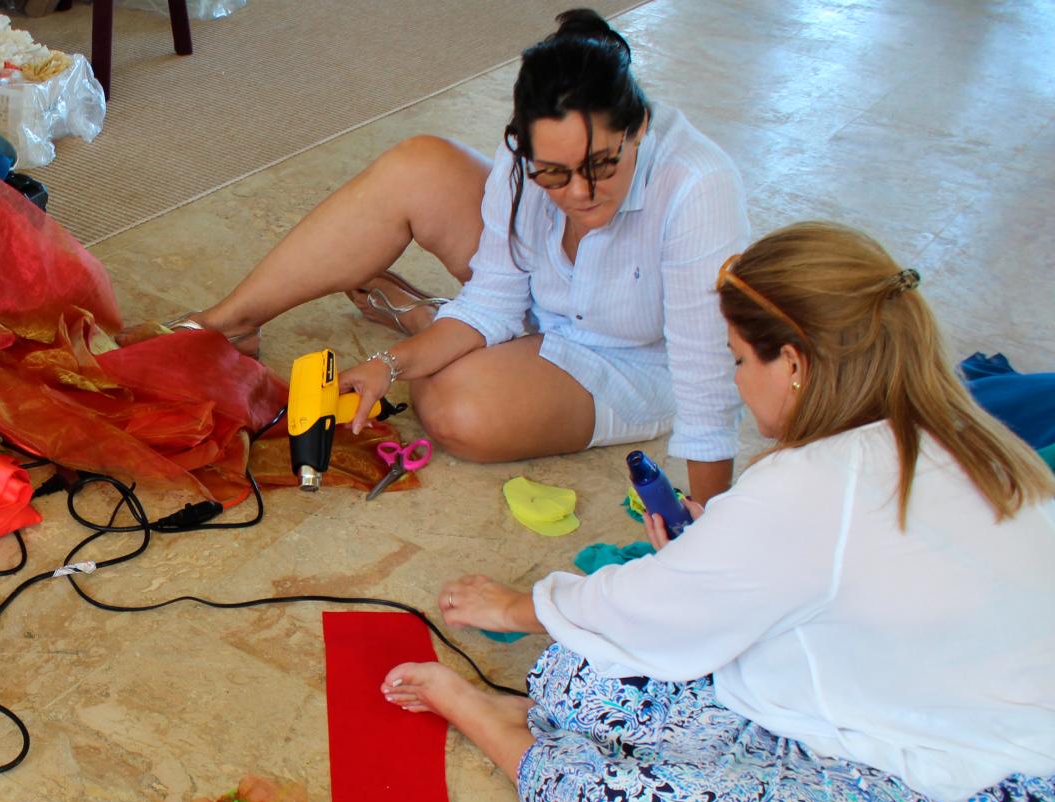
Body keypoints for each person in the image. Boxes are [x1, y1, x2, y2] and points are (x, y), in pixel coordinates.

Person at [381, 221, 1055, 802]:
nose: (735, 382)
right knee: (579, 673)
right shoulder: (967, 435)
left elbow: (655, 607)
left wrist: (519, 607)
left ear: (793, 364)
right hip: (878, 728)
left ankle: (508, 735)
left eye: (739, 359)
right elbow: (809, 602)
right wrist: (710, 557)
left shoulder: (814, 483)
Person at [177, 9, 748, 501]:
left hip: (626, 359)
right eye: (552, 173)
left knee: (455, 408)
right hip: (537, 302)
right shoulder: (524, 157)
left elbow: (707, 373)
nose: (579, 193)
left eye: (601, 165)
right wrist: (387, 365)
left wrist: (709, 526)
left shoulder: (696, 186)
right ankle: (229, 323)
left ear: (640, 127)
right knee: (420, 165)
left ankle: (430, 319)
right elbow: (496, 298)